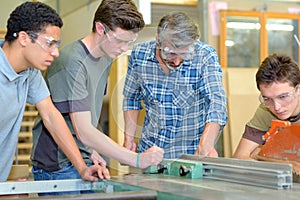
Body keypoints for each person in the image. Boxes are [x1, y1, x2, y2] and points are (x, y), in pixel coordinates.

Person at [31, 0, 164, 195]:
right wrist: (136, 160)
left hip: (83, 159)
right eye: (120, 40)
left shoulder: (106, 57)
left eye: (130, 42)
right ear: (100, 28)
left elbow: (88, 115)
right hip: (58, 165)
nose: (123, 48)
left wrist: (92, 151)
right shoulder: (71, 61)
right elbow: (83, 130)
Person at [0, 1, 109, 182]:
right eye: (50, 44)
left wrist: (82, 168)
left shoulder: (30, 73)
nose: (56, 52)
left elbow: (51, 115)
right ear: (24, 38)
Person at [122, 12, 228, 159]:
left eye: (184, 53)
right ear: (158, 40)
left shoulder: (205, 56)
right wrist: (129, 139)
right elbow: (131, 99)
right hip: (150, 152)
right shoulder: (140, 55)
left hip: (192, 153)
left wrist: (206, 144)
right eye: (170, 53)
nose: (177, 61)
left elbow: (217, 102)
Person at [233, 53, 300, 173]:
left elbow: (253, 155)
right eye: (267, 99)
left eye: (283, 97)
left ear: (298, 89)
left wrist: (260, 156)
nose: (277, 107)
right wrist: (287, 165)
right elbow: (240, 157)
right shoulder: (265, 110)